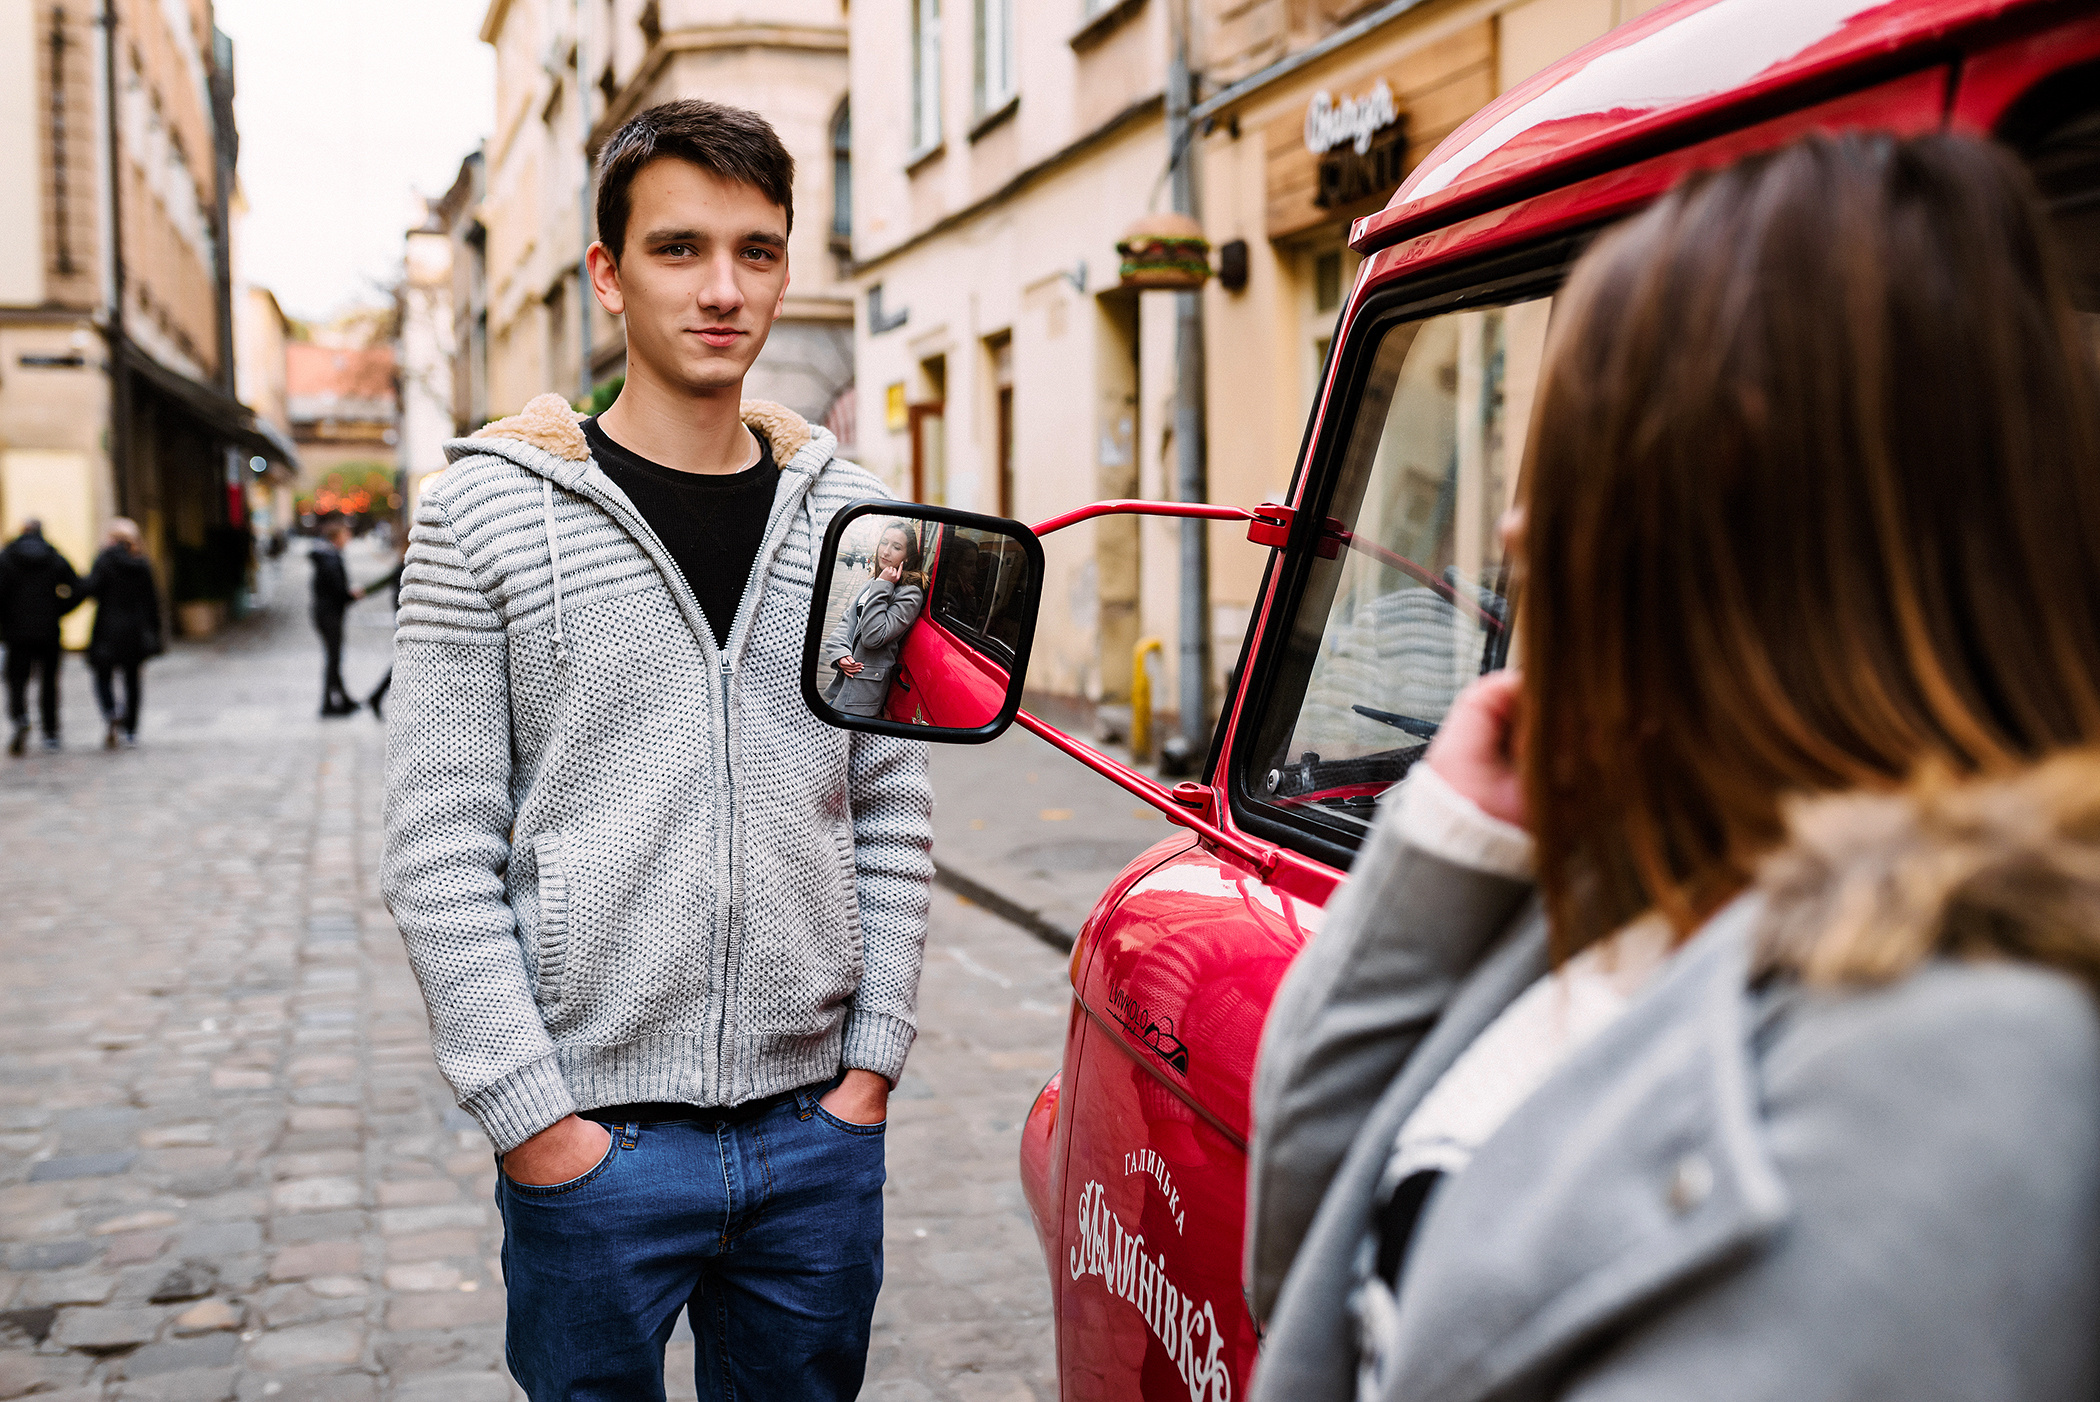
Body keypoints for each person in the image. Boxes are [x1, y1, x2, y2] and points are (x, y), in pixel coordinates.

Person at [1246, 133, 2100, 1402]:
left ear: (1743, 508)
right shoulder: (1662, 862)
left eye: (1584, 455)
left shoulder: (1967, 1051)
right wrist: (1452, 848)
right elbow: (1302, 1256)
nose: (1525, 526)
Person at [380, 99, 932, 1401]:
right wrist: (535, 1119)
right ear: (607, 273)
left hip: (814, 1135)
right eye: (680, 249)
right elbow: (438, 848)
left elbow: (892, 802)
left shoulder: (856, 519)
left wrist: (873, 1067)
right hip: (597, 1141)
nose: (724, 288)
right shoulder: (483, 517)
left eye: (757, 249)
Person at [820, 520, 926, 718]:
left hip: (864, 694)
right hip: (845, 683)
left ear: (908, 557)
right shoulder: (873, 582)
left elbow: (873, 636)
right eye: (883, 543)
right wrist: (841, 654)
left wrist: (882, 586)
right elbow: (847, 623)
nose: (885, 552)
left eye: (896, 547)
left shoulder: (910, 594)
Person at [0, 519, 84, 755]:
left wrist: (6, 617)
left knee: (17, 680)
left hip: (16, 632)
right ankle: (51, 733)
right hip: (48, 630)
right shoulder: (54, 557)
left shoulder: (7, 557)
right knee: (49, 682)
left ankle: (20, 718)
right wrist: (59, 608)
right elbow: (79, 587)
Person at [80, 517, 162, 749]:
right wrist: (154, 632)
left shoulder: (104, 561)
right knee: (133, 680)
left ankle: (111, 710)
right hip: (135, 630)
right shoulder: (142, 564)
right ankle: (131, 731)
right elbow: (152, 601)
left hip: (108, 628)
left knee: (102, 675)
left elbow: (90, 589)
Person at [309, 516, 363, 716]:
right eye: (345, 534)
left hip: (325, 613)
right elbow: (337, 591)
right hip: (329, 614)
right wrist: (351, 595)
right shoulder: (330, 558)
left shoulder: (327, 556)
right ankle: (327, 704)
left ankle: (342, 699)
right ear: (337, 537)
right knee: (333, 658)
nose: (348, 538)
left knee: (333, 657)